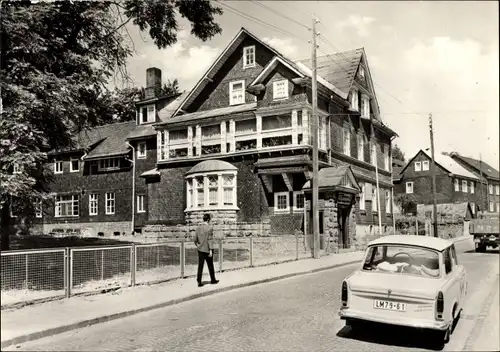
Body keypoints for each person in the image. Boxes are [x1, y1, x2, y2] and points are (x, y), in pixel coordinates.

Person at [194, 213, 219, 287]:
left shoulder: (198, 228)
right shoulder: (210, 228)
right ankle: (213, 279)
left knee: (200, 266)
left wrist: (198, 246)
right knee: (210, 265)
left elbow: (195, 240)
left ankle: (199, 281)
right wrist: (211, 250)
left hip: (200, 249)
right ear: (208, 220)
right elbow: (210, 240)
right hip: (207, 250)